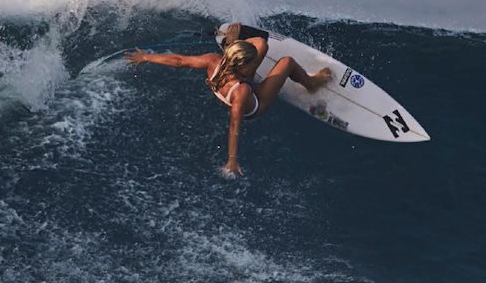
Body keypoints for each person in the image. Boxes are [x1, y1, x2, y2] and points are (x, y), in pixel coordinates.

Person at [124, 23, 332, 177]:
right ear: (244, 65)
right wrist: (232, 159)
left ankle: (231, 44)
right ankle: (311, 83)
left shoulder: (213, 61)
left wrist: (147, 57)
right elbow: (234, 123)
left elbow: (180, 61)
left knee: (260, 44)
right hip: (251, 104)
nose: (256, 63)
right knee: (286, 62)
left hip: (226, 81)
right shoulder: (242, 91)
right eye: (252, 63)